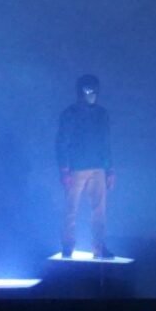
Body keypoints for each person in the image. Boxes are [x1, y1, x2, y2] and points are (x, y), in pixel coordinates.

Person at [55, 73, 114, 259]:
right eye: (88, 90)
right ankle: (67, 246)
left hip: (97, 168)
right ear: (80, 92)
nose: (92, 94)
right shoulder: (70, 114)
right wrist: (64, 169)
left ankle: (99, 247)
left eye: (95, 90)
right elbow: (62, 142)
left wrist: (109, 169)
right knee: (71, 209)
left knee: (99, 211)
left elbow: (106, 143)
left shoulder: (102, 114)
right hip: (76, 169)